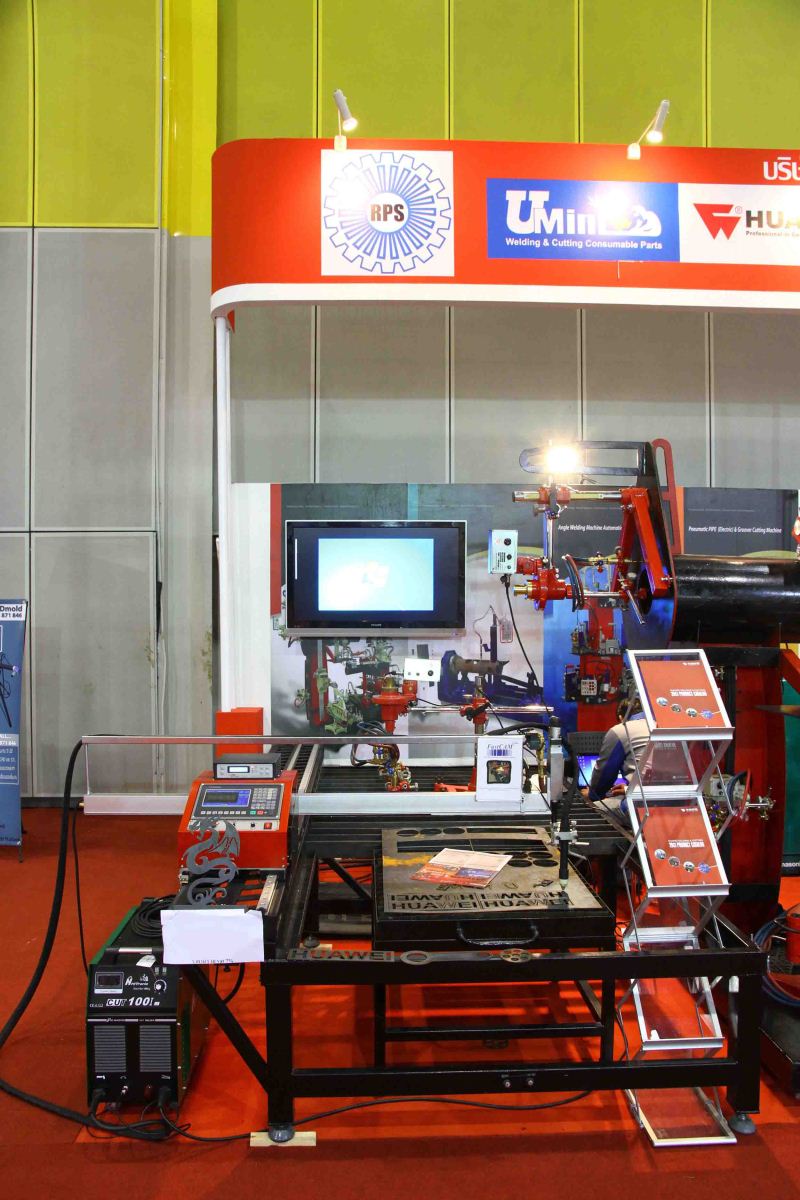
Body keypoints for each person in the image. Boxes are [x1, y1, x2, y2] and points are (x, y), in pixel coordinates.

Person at [587, 689, 650, 814]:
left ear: (621, 717)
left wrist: (592, 795)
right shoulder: (660, 726)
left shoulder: (621, 730)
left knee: (590, 809)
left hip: (639, 805)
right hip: (674, 799)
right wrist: (627, 789)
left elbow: (604, 775)